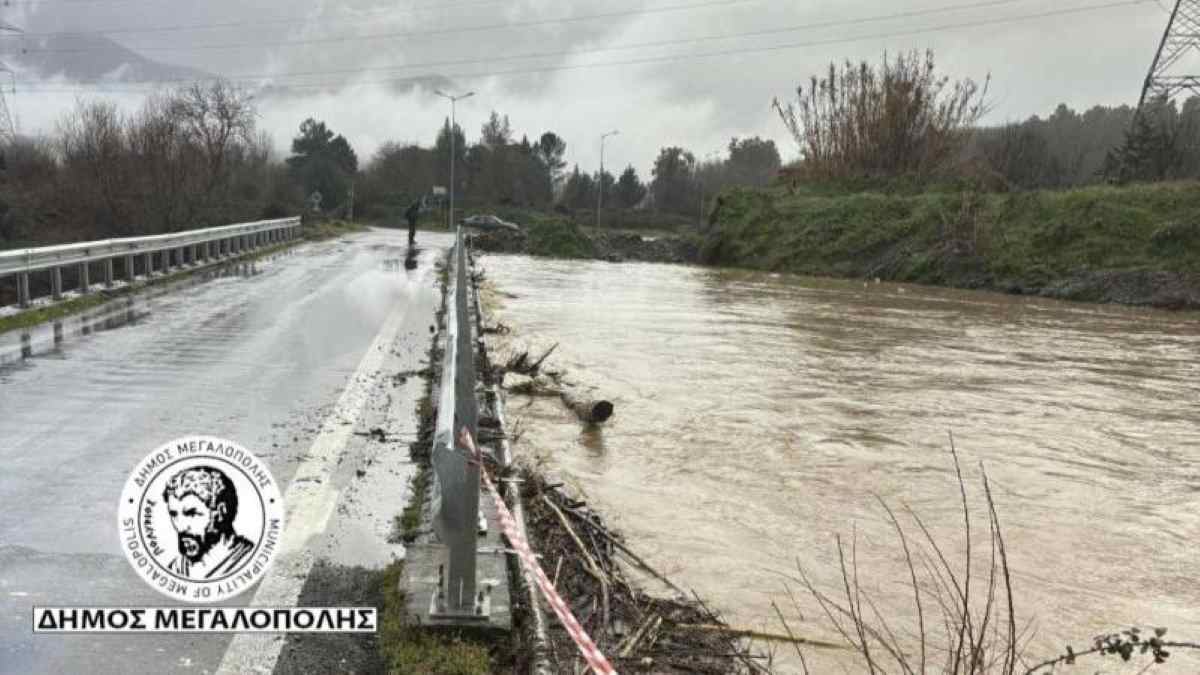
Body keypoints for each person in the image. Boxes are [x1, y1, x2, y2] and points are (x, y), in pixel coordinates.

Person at [162, 466, 255, 580]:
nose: (180, 527)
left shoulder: (249, 560)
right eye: (174, 514)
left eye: (192, 514)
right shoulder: (175, 569)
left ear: (220, 512)